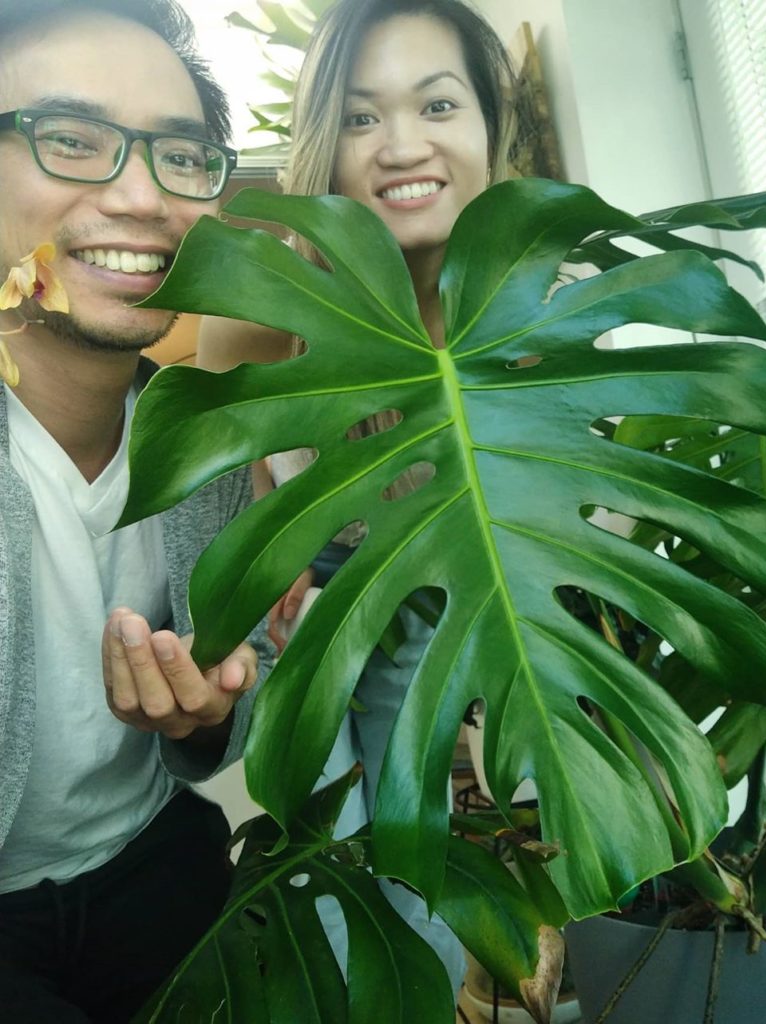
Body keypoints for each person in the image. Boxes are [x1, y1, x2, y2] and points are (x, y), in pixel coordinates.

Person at [197, 0, 518, 992]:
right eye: (364, 117)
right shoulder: (259, 309)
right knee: (325, 845)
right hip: (305, 604)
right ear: (324, 147)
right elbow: (231, 512)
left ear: (489, 128)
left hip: (426, 591)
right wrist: (273, 568)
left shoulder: (524, 314)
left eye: (436, 104)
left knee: (416, 846)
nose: (402, 146)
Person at [0, 2, 279, 1020]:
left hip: (156, 865)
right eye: (71, 140)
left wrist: (211, 710)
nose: (140, 195)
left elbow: (249, 680)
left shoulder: (204, 433)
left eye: (181, 155)